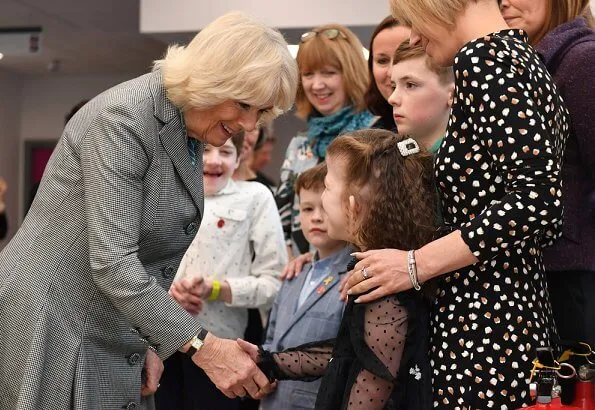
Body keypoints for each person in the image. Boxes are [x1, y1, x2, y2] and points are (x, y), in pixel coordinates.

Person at [0, 11, 297, 410]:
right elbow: (113, 262)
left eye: (259, 112)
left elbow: (150, 256)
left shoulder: (187, 123)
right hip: (55, 324)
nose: (246, 123)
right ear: (211, 80)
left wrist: (150, 340)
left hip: (108, 322)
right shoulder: (123, 120)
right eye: (242, 103)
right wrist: (201, 347)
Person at [343, 0, 570, 408]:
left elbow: (538, 199)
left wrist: (415, 263)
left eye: (415, 20)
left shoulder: (488, 62)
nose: (413, 36)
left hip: (486, 327)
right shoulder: (519, 58)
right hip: (506, 314)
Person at [241, 130, 435, 409]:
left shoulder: (383, 288)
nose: (320, 204)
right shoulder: (372, 266)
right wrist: (271, 361)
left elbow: (374, 384)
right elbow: (348, 352)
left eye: (328, 188)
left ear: (353, 206)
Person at [158, 133, 286, 410]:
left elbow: (275, 285)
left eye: (226, 152)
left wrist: (216, 289)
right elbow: (136, 267)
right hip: (161, 343)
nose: (214, 160)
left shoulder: (255, 197)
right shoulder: (163, 197)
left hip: (222, 347)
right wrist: (169, 293)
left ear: (240, 157)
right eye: (204, 150)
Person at [499, 0, 595, 350]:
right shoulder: (525, 64)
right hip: (541, 273)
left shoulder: (582, 60)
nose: (504, 2)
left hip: (573, 277)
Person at [275, 23, 377, 260]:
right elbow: (284, 216)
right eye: (308, 74)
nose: (317, 85)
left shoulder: (375, 137)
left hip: (358, 272)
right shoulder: (299, 145)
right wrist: (291, 261)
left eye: (329, 73)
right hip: (307, 274)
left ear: (351, 73)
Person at [261, 163, 352, 410]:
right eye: (307, 208)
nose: (316, 217)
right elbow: (271, 338)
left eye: (325, 207)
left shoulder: (354, 277)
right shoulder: (294, 274)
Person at [387, 40, 454, 154]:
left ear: (452, 94)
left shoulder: (464, 165)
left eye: (410, 85)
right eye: (393, 86)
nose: (392, 99)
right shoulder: (393, 158)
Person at [364, 16, 411, 131]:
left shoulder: (457, 129)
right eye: (382, 61)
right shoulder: (371, 139)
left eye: (403, 57)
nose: (391, 72)